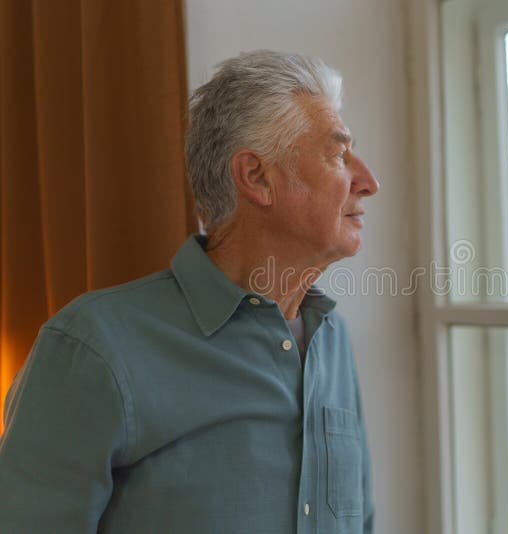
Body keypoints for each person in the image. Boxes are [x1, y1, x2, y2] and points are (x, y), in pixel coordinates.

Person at [0, 50, 379, 533]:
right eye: (338, 154)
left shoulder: (332, 341)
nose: (368, 182)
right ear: (257, 177)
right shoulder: (93, 348)